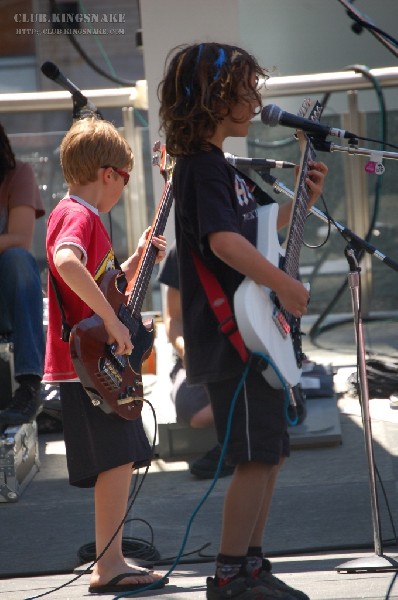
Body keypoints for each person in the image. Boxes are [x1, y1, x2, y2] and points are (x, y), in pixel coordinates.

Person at [158, 42, 328, 600]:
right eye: (245, 90)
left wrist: (300, 202)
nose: (255, 100)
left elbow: (254, 233)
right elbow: (224, 242)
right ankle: (230, 576)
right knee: (256, 457)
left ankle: (252, 569)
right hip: (233, 336)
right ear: (214, 99)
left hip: (248, 332)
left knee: (270, 453)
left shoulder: (219, 169)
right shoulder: (203, 168)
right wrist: (284, 285)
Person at [44, 116, 168, 595]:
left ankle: (110, 559)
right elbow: (66, 261)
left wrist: (132, 262)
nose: (124, 186)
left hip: (88, 361)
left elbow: (100, 287)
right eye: (127, 177)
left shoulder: (74, 214)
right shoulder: (79, 216)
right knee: (116, 460)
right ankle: (109, 564)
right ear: (110, 174)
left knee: (119, 459)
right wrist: (115, 324)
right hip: (87, 364)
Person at [158, 241, 234, 478]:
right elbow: (173, 320)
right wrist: (186, 353)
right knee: (194, 412)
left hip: (249, 349)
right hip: (199, 353)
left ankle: (235, 439)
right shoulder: (180, 253)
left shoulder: (251, 231)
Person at [0, 123, 45, 426]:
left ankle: (30, 385)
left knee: (19, 260)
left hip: (6, 297)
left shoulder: (19, 174)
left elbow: (20, 239)